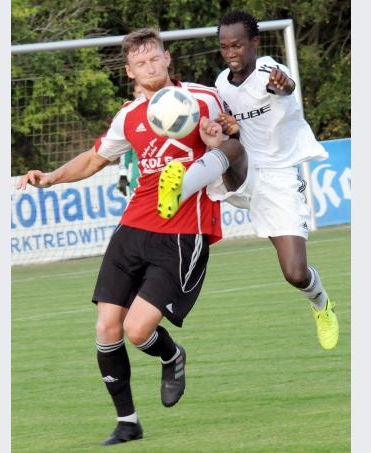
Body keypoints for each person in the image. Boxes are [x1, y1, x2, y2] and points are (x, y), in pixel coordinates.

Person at [17, 28, 241, 446]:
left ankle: (171, 354)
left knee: (138, 331)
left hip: (182, 232)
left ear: (167, 58)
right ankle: (128, 423)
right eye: (141, 63)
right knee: (107, 327)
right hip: (134, 227)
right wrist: (51, 177)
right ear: (129, 72)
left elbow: (236, 143)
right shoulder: (129, 115)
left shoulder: (204, 98)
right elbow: (95, 158)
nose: (150, 67)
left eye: (155, 58)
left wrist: (226, 135)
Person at [157, 10, 339, 350]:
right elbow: (235, 130)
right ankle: (178, 190)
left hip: (279, 178)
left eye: (238, 45)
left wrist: (282, 86)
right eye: (224, 47)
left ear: (255, 43)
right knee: (227, 147)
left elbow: (285, 86)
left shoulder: (272, 71)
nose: (231, 53)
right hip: (243, 171)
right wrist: (230, 128)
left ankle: (322, 304)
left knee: (295, 273)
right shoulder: (222, 84)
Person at [117, 84, 144, 197]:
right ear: (133, 94)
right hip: (138, 181)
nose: (142, 95)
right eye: (139, 93)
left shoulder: (163, 112)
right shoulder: (129, 117)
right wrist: (123, 175)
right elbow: (125, 148)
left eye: (144, 91)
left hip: (164, 178)